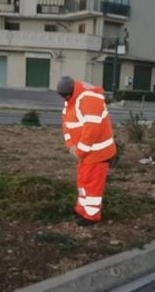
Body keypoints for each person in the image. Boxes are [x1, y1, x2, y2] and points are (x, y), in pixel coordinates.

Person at [56, 76, 117, 226]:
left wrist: (79, 151)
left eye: (65, 96)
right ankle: (81, 209)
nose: (64, 99)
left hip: (98, 153)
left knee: (92, 185)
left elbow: (92, 130)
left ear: (71, 92)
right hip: (85, 154)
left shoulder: (88, 99)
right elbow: (67, 126)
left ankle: (91, 216)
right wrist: (71, 145)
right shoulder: (70, 102)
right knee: (83, 182)